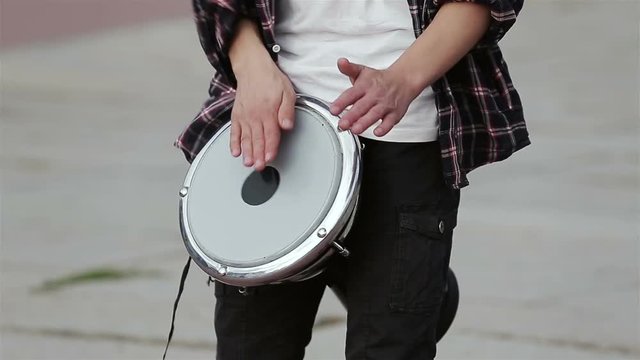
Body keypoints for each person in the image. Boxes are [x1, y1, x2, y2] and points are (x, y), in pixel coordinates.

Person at [175, 0, 530, 359]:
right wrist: (252, 70)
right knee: (251, 348)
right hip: (277, 121)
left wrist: (403, 78)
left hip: (401, 127)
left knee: (389, 347)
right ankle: (382, 279)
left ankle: (389, 283)